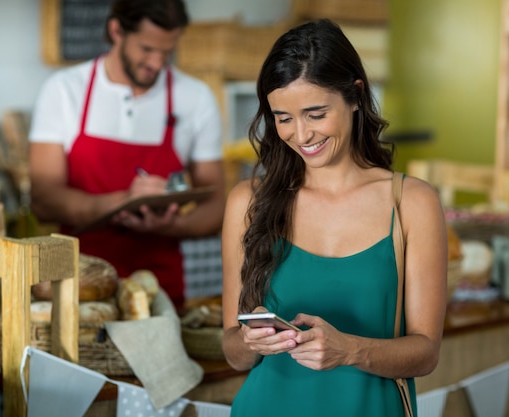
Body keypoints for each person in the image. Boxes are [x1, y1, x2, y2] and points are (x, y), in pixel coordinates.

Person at [221, 19, 448, 416]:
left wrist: (350, 350)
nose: (301, 135)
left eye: (315, 113)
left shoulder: (410, 202)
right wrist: (250, 341)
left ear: (356, 96)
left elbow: (426, 352)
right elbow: (234, 354)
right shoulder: (248, 202)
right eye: (283, 118)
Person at [28, 0, 225, 308]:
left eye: (167, 52)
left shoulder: (196, 98)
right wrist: (121, 203)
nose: (157, 63)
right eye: (146, 49)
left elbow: (217, 204)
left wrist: (170, 223)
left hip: (159, 294)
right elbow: (42, 199)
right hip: (78, 289)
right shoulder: (64, 91)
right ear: (116, 30)